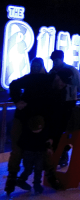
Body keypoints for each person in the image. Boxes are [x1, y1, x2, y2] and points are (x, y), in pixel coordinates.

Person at [5, 59, 62, 195]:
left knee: (22, 148)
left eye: (37, 66)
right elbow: (14, 85)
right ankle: (49, 176)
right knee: (41, 147)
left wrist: (17, 101)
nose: (35, 68)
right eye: (34, 66)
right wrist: (17, 101)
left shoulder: (34, 78)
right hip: (35, 117)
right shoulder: (46, 79)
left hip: (27, 116)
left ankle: (13, 178)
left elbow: (14, 85)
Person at [48, 50, 80, 167]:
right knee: (56, 130)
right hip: (56, 103)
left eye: (56, 60)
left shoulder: (71, 70)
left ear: (61, 59)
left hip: (69, 102)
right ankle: (57, 153)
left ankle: (63, 153)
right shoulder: (53, 71)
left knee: (66, 129)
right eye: (53, 60)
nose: (55, 62)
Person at [14, 116, 50, 195]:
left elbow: (45, 141)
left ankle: (36, 184)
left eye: (39, 129)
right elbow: (20, 143)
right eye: (36, 129)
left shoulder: (42, 133)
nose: (37, 131)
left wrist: (47, 147)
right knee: (30, 169)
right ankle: (23, 181)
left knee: (37, 169)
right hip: (30, 153)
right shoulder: (27, 134)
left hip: (37, 153)